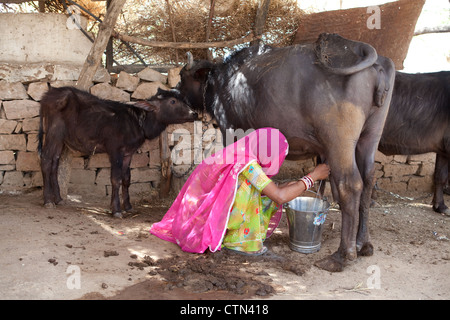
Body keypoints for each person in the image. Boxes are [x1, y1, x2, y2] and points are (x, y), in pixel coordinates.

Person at [150, 127, 330, 256]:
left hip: (206, 214)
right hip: (209, 222)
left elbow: (270, 190)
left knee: (268, 192)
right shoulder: (248, 166)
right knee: (271, 197)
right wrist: (312, 177)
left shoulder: (242, 156)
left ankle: (234, 235)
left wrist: (293, 185)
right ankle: (238, 241)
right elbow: (279, 197)